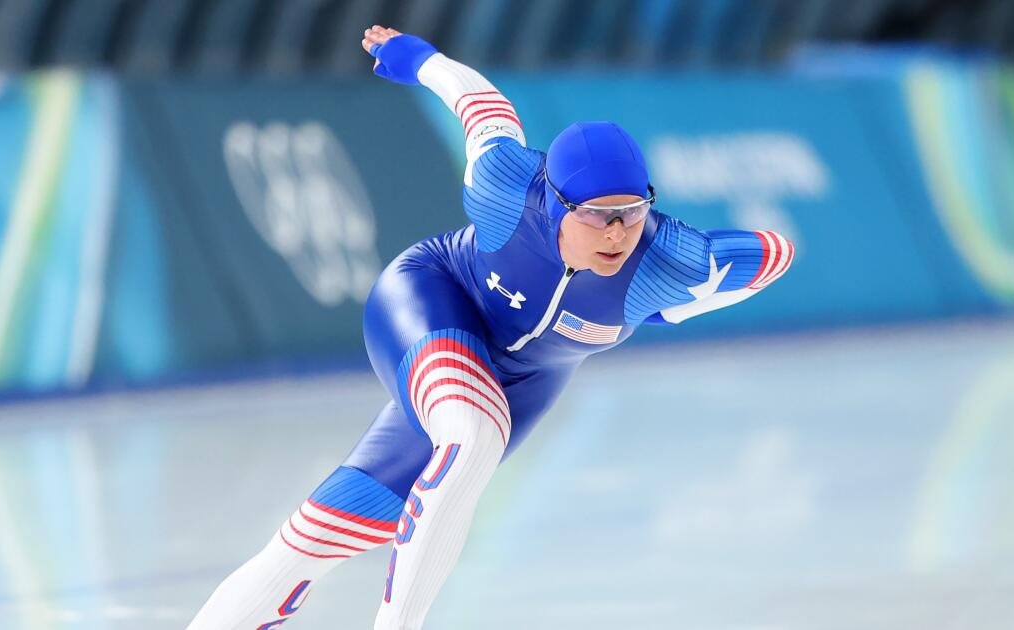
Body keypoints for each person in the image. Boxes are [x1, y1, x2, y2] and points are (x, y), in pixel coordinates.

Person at [188, 25, 794, 630]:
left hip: (525, 382)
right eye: (598, 216)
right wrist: (420, 59)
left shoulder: (667, 262)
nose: (617, 233)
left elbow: (775, 253)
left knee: (316, 537)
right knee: (472, 436)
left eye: (632, 213)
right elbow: (480, 104)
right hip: (433, 300)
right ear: (556, 203)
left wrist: (679, 303)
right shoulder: (506, 184)